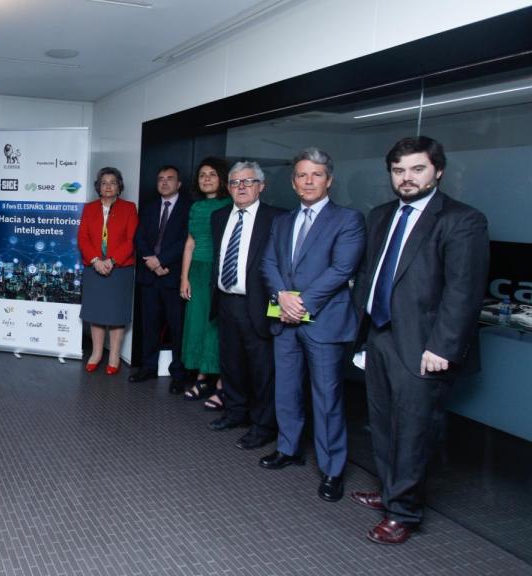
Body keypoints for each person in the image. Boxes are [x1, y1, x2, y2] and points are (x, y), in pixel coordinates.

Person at [351, 136, 488, 544]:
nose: (406, 178)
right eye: (398, 171)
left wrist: (442, 348)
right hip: (379, 337)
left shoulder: (462, 219)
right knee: (382, 424)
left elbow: (464, 292)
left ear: (438, 171)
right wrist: (361, 335)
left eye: (417, 169)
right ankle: (391, 491)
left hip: (424, 345)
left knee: (413, 430)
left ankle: (404, 513)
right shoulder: (379, 215)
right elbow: (370, 278)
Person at [258, 148, 365, 503]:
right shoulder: (282, 221)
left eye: (316, 174)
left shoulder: (348, 220)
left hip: (324, 322)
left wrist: (299, 303)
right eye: (302, 175)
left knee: (327, 398)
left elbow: (342, 269)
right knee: (286, 390)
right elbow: (269, 263)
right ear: (293, 182)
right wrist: (282, 297)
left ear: (329, 180)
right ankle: (288, 448)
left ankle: (332, 469)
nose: (308, 181)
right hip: (284, 319)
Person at [208, 161, 284, 450]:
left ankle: (263, 425)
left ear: (261, 186)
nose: (241, 187)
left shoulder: (277, 218)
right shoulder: (218, 217)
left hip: (259, 304)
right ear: (228, 188)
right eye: (235, 182)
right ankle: (235, 412)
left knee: (262, 369)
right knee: (231, 364)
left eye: (247, 182)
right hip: (226, 301)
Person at [129, 166, 192, 392]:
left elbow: (186, 240)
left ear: (179, 184)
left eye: (170, 179)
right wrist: (151, 262)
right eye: (160, 179)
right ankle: (148, 367)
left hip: (174, 277)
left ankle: (178, 374)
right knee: (150, 326)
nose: (164, 183)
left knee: (178, 329)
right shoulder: (149, 207)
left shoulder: (189, 208)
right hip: (149, 277)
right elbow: (139, 237)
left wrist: (162, 261)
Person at [179, 157, 232, 406]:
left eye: (212, 174)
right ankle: (201, 377)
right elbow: (190, 244)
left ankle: (221, 383)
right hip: (196, 273)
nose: (207, 178)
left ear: (222, 178)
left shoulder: (231, 204)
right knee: (197, 325)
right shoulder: (196, 207)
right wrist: (184, 278)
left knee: (216, 327)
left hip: (219, 272)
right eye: (202, 175)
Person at [77, 167, 138, 375]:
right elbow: (83, 238)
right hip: (94, 267)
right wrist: (96, 260)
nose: (108, 186)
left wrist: (112, 261)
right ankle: (96, 354)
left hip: (120, 269)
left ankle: (114, 356)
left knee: (116, 313)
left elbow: (132, 240)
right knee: (96, 312)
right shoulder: (89, 208)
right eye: (104, 182)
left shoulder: (129, 208)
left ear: (119, 186)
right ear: (99, 187)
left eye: (113, 182)